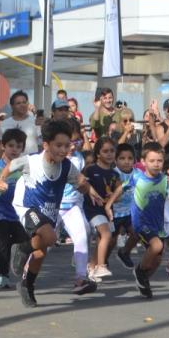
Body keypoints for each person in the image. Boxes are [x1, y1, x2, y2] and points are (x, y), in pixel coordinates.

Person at [0, 119, 102, 307]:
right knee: (50, 237)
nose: (64, 150)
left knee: (40, 253)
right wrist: (1, 180)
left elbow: (81, 181)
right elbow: (10, 166)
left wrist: (91, 191)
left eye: (67, 145)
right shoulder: (31, 161)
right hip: (27, 206)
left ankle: (27, 285)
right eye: (58, 145)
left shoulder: (67, 166)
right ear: (46, 145)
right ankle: (21, 248)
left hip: (49, 210)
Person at [129, 143, 169, 298]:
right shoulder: (137, 176)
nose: (156, 164)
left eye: (160, 160)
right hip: (141, 222)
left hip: (158, 224)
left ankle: (143, 279)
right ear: (143, 162)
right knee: (156, 246)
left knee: (157, 260)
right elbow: (121, 187)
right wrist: (110, 204)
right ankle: (140, 271)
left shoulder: (165, 180)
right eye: (152, 161)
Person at [55, 124, 96, 295]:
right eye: (66, 143)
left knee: (81, 237)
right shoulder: (51, 158)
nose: (71, 147)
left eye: (75, 142)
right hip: (53, 208)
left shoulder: (79, 158)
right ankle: (26, 274)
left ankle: (80, 278)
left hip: (72, 206)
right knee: (44, 244)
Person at [0, 129, 28, 289]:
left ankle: (25, 274)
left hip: (18, 215)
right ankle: (3, 276)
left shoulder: (25, 168)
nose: (14, 149)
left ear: (22, 149)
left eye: (18, 146)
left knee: (24, 243)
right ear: (3, 146)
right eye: (11, 145)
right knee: (3, 244)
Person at [86, 137, 123, 282]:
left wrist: (112, 197)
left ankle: (92, 266)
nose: (109, 154)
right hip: (92, 209)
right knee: (106, 234)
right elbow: (81, 186)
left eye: (112, 151)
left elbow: (118, 194)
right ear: (98, 153)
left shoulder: (115, 174)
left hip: (107, 211)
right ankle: (101, 265)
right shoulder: (90, 170)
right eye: (105, 151)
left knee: (105, 238)